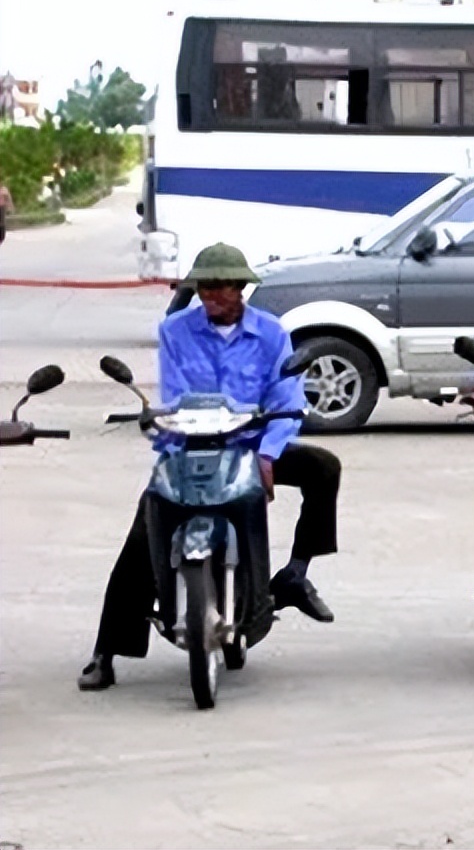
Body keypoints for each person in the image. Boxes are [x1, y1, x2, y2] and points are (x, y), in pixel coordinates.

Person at [79, 244, 341, 691]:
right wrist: (166, 430)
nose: (211, 295)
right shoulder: (175, 330)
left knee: (322, 467)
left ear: (241, 288)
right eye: (204, 287)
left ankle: (295, 574)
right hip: (188, 447)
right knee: (145, 532)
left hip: (251, 444)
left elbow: (287, 398)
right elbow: (174, 392)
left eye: (221, 286)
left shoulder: (272, 333)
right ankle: (106, 652)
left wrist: (268, 454)